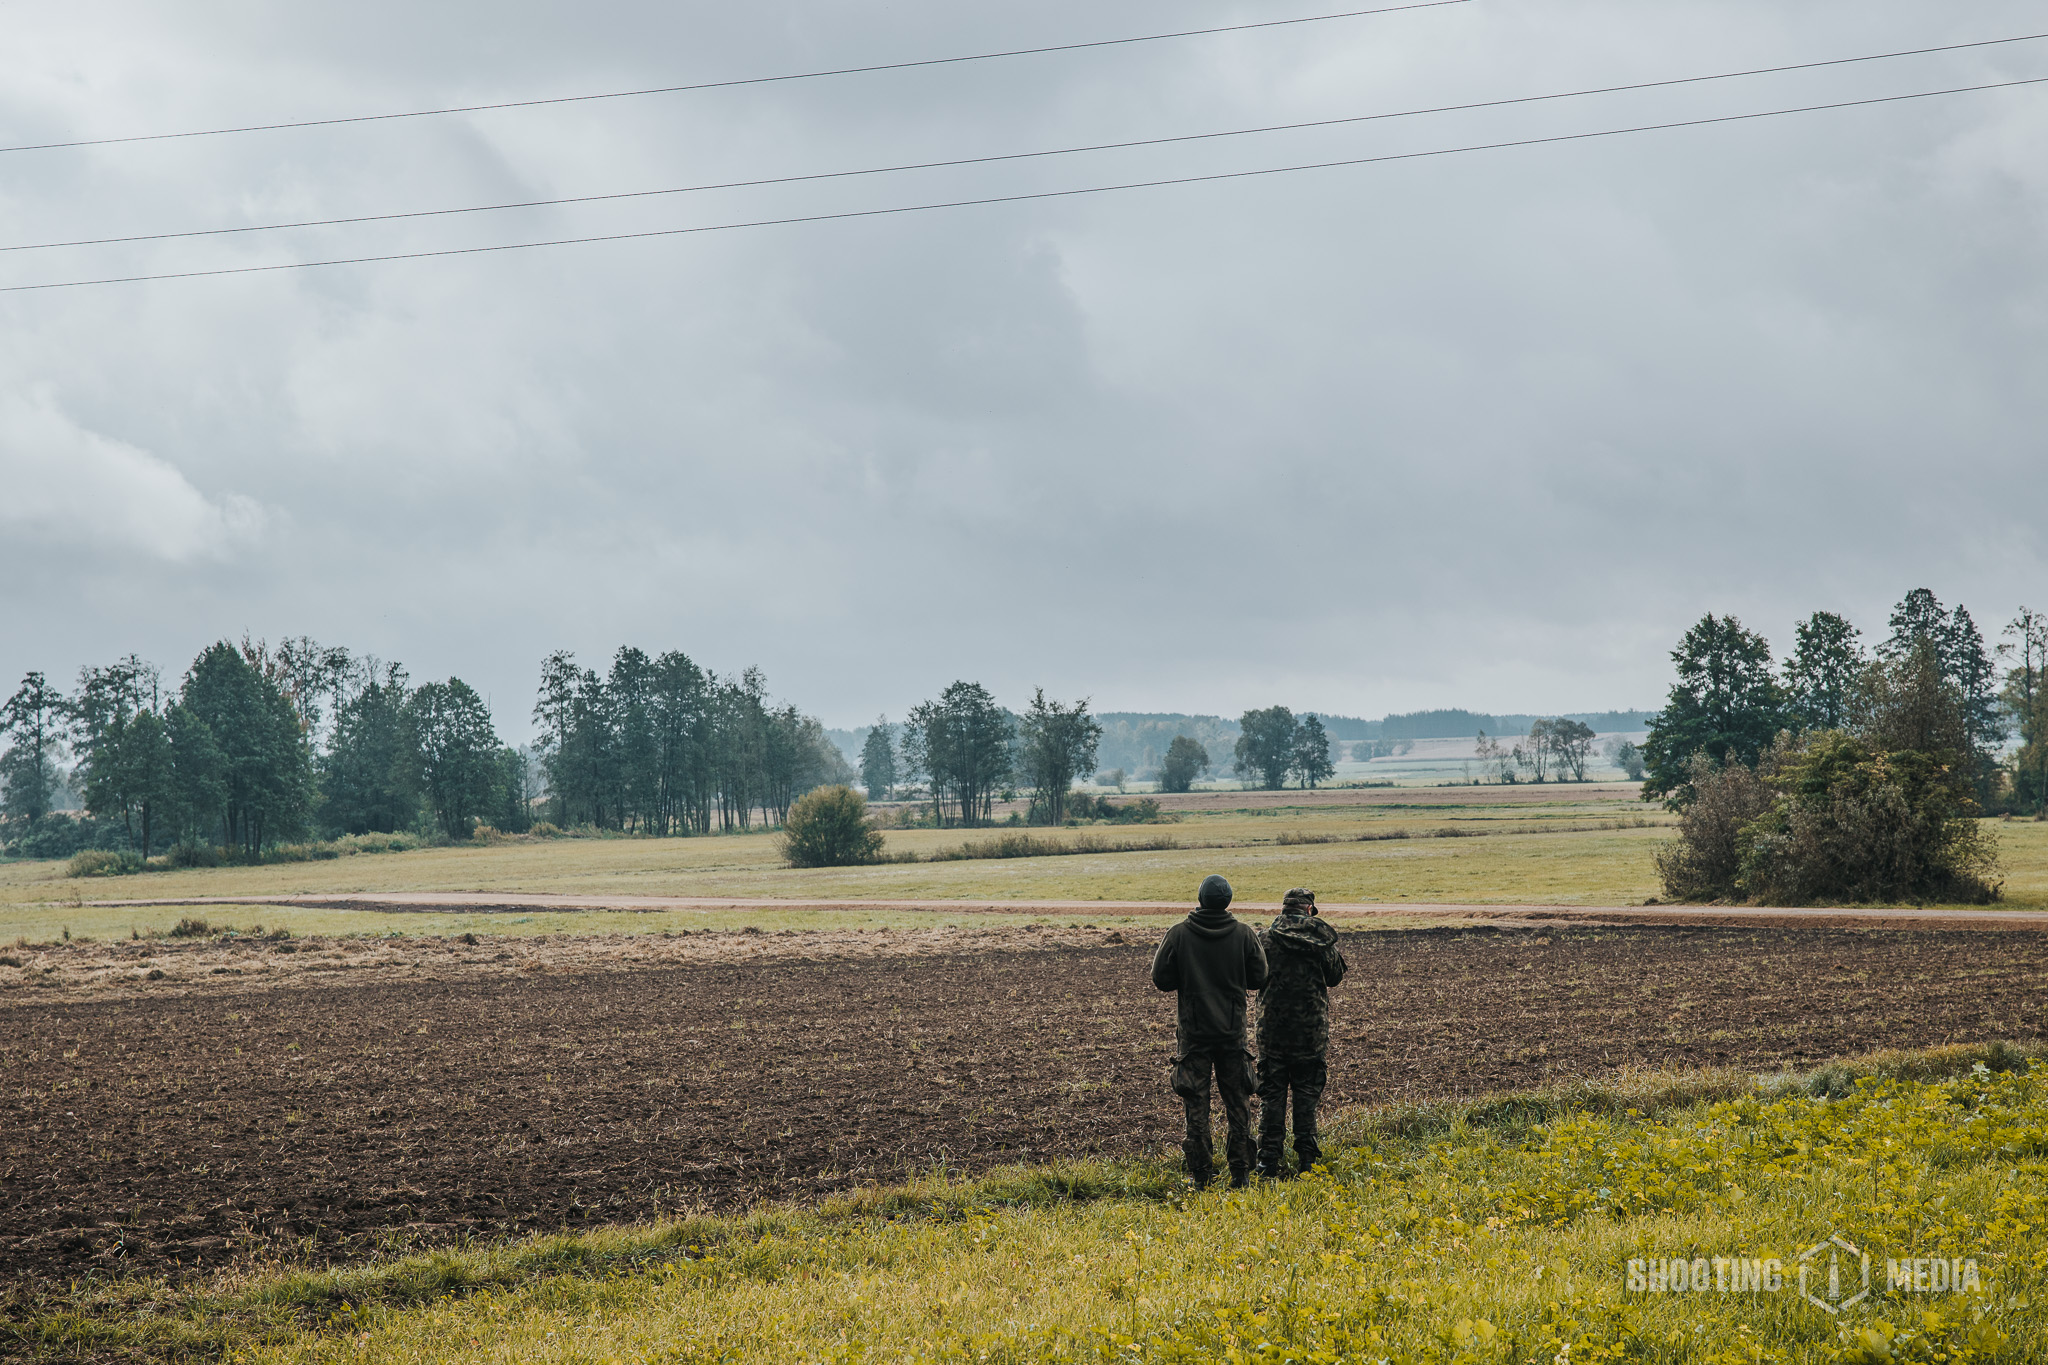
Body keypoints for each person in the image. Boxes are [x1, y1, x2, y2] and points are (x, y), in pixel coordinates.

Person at [1150, 874, 1268, 1188]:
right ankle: (1240, 1174)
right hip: (1232, 1033)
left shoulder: (1178, 934)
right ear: (1228, 901)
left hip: (1193, 1034)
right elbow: (1260, 977)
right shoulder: (1244, 934)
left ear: (1200, 899)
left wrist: (1189, 978)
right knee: (1238, 1104)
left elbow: (1161, 979)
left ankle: (1200, 1176)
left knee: (1196, 1105)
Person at [1254, 888, 1348, 1179]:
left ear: (1283, 910)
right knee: (1307, 1098)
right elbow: (1335, 976)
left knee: (1272, 1098)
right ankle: (1308, 1162)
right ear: (1309, 911)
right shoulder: (1320, 941)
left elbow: (1251, 976)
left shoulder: (1264, 940)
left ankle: (1267, 1162)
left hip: (1272, 1033)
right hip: (1311, 1033)